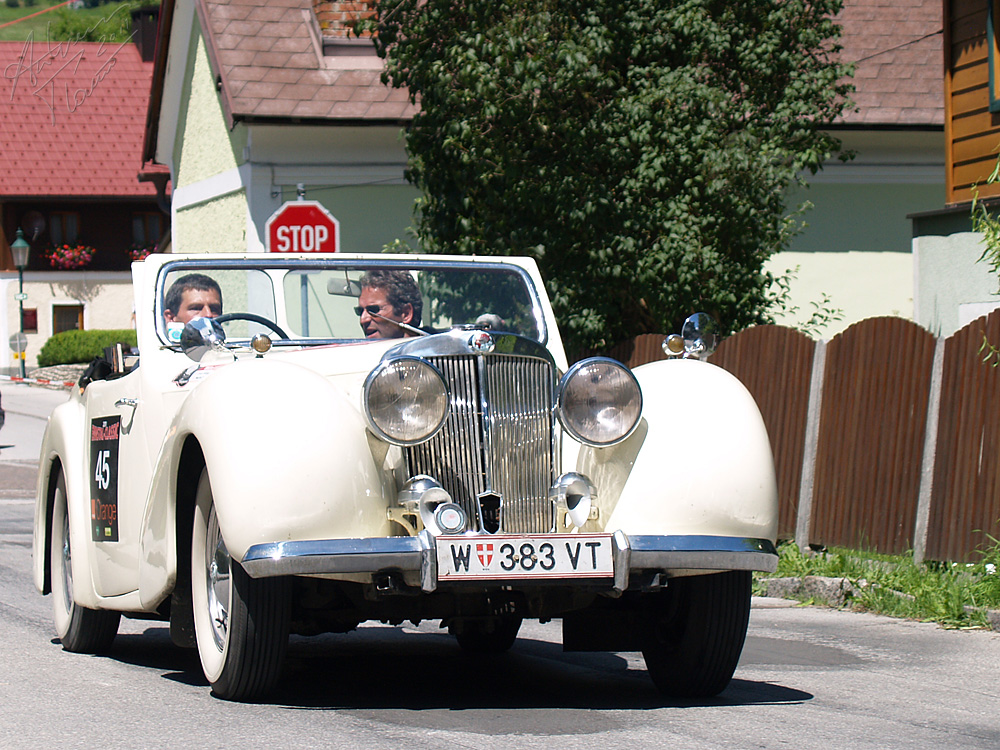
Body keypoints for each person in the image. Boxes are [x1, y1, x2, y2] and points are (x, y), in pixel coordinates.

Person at [356, 269, 423, 339]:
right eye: (360, 312)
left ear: (406, 314)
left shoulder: (432, 348)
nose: (363, 320)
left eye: (373, 310)